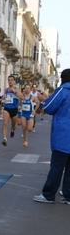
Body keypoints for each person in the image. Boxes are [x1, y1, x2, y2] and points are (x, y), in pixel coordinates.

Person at [33, 69, 70, 204]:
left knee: (57, 166)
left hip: (63, 134)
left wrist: (42, 100)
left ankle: (48, 194)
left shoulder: (63, 90)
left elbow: (49, 107)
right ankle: (68, 195)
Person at [0, 75, 24, 146]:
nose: (10, 81)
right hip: (7, 108)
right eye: (9, 80)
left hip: (14, 110)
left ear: (14, 81)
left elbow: (22, 97)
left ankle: (12, 130)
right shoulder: (6, 90)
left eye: (11, 80)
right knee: (4, 123)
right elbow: (5, 96)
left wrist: (15, 92)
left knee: (14, 126)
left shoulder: (17, 89)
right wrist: (0, 100)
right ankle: (4, 139)